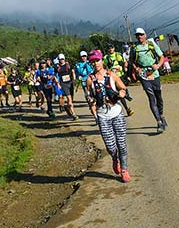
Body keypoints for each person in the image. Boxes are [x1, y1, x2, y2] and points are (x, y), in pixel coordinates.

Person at [87, 50, 131, 183]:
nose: (96, 64)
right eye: (93, 61)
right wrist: (93, 106)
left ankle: (124, 170)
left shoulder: (112, 75)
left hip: (116, 113)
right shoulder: (90, 80)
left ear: (102, 61)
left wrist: (122, 93)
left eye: (97, 60)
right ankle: (114, 158)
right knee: (111, 146)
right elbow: (89, 97)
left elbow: (123, 88)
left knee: (122, 144)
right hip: (102, 116)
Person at [131, 27, 168, 133]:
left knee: (159, 97)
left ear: (145, 35)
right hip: (143, 75)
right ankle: (159, 122)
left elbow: (161, 56)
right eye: (137, 35)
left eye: (141, 34)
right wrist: (136, 69)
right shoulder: (134, 48)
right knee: (151, 98)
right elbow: (132, 61)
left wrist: (158, 65)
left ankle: (161, 115)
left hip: (154, 73)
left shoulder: (152, 45)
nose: (139, 37)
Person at [104, 46, 134, 117]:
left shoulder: (118, 55)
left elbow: (125, 63)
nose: (110, 49)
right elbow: (105, 67)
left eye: (112, 48)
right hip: (113, 78)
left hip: (121, 76)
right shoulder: (106, 57)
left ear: (114, 48)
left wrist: (125, 70)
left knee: (124, 90)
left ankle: (126, 96)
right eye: (109, 48)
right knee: (119, 94)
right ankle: (127, 109)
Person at [55, 53, 78, 120]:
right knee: (69, 99)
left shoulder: (68, 65)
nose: (61, 60)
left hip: (70, 83)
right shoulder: (57, 67)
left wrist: (74, 80)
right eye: (60, 59)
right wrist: (58, 84)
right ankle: (74, 114)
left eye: (62, 59)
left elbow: (73, 72)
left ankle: (68, 108)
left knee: (71, 100)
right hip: (63, 84)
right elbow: (55, 76)